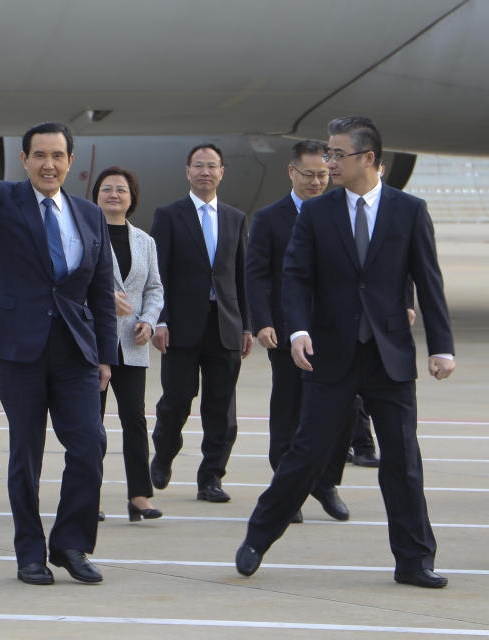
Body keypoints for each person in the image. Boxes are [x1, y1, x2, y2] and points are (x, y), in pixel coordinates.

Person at [237, 116, 456, 589]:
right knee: (307, 451)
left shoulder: (408, 210)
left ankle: (415, 560)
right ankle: (258, 537)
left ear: (369, 159)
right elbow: (295, 276)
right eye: (328, 154)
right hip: (331, 354)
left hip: (389, 356)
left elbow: (428, 282)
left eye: (338, 155)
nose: (328, 163)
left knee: (402, 460)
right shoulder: (317, 213)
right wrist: (296, 331)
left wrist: (441, 347)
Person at [0, 102, 117, 585]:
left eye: (58, 155)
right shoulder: (2, 199)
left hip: (76, 352)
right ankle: (29, 553)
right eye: (39, 155)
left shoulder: (89, 214)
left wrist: (105, 356)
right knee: (27, 455)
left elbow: (101, 291)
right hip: (18, 350)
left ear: (70, 161)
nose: (49, 164)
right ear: (24, 159)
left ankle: (71, 544)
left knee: (88, 447)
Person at [246, 140, 352, 523]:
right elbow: (256, 274)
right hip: (287, 331)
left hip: (337, 330)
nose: (317, 182)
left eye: (324, 174)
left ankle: (325, 482)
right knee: (288, 409)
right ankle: (286, 489)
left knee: (345, 408)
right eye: (309, 174)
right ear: (291, 172)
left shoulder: (342, 212)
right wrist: (261, 322)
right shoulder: (270, 218)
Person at [149, 144, 252, 503]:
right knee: (176, 399)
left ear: (222, 172)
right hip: (180, 325)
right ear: (188, 171)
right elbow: (157, 272)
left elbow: (241, 277)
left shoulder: (236, 218)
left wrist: (248, 326)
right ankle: (162, 456)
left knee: (222, 407)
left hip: (225, 324)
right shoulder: (169, 215)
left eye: (212, 166)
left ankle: (211, 477)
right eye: (198, 166)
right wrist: (158, 319)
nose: (205, 172)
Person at [91, 167, 164, 522]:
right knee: (91, 423)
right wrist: (105, 298)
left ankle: (139, 495)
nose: (114, 195)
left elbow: (155, 288)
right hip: (93, 343)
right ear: (96, 195)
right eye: (107, 189)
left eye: (121, 189)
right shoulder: (84, 234)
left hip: (132, 344)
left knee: (134, 419)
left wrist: (149, 321)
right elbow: (72, 283)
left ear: (132, 197)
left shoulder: (144, 241)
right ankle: (90, 495)